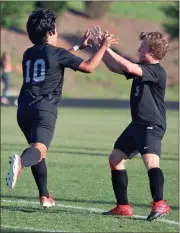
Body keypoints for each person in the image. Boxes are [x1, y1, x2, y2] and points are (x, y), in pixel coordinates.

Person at [6, 9, 118, 208]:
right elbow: (89, 67)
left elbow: (57, 59)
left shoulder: (28, 53)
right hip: (44, 108)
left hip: (24, 108)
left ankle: (45, 196)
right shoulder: (56, 53)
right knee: (38, 150)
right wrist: (103, 47)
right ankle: (21, 162)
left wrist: (79, 46)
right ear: (50, 32)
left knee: (38, 150)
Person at [93, 25, 170, 221]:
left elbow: (128, 67)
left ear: (152, 51)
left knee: (151, 162)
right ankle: (123, 206)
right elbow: (114, 66)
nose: (138, 50)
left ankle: (160, 203)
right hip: (137, 124)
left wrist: (106, 46)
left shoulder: (156, 71)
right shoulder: (141, 69)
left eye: (142, 47)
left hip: (151, 124)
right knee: (115, 158)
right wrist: (101, 48)